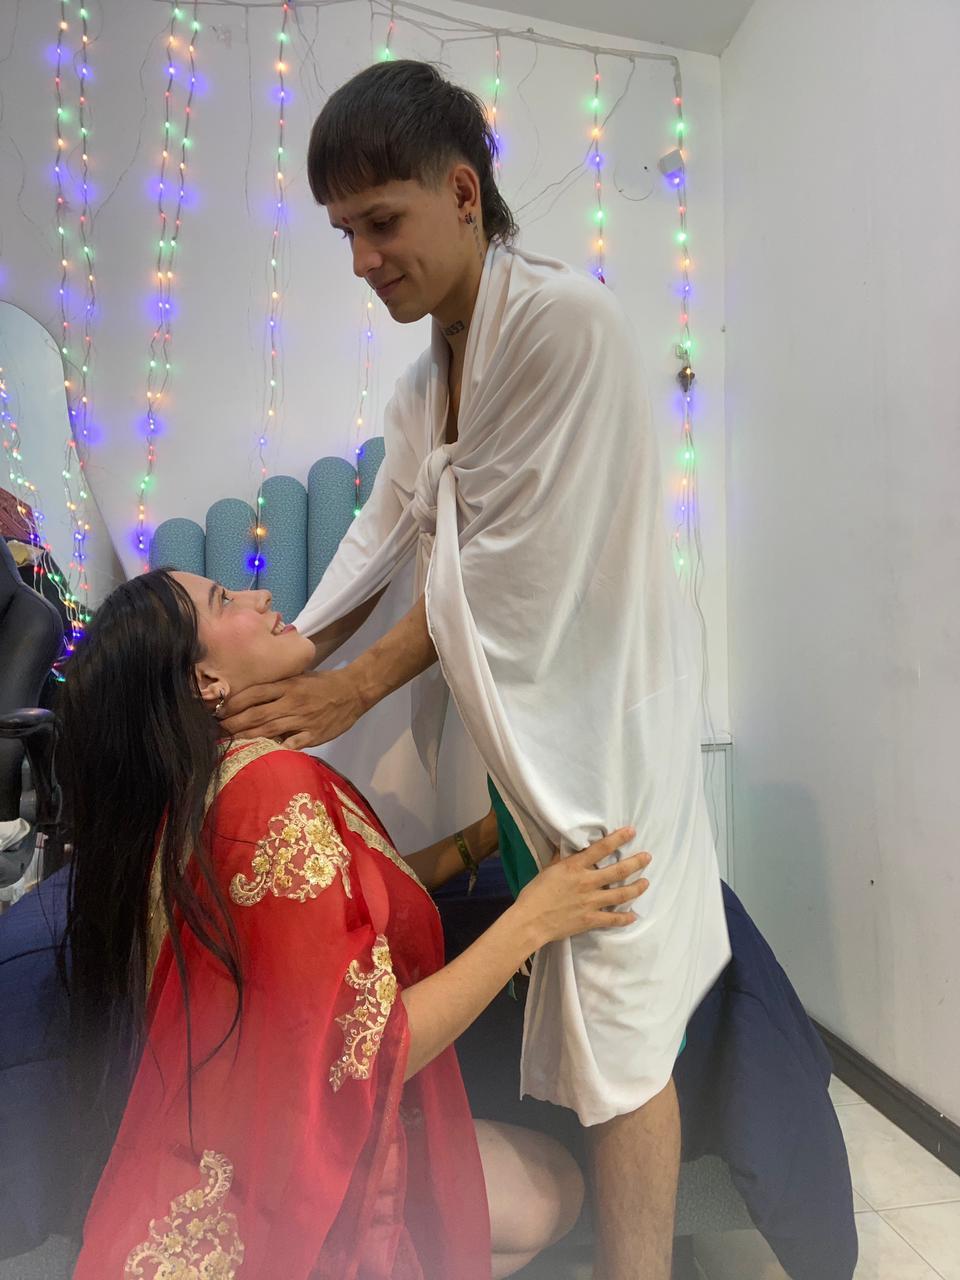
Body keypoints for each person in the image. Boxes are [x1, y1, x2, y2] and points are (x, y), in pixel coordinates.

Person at [221, 60, 732, 1280]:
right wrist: (285, 655)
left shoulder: (567, 328)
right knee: (591, 1020)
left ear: (463, 192)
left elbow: (494, 575)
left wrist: (345, 687)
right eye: (343, 233)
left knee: (623, 1033)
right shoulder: (421, 385)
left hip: (602, 735)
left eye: (379, 222)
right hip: (524, 746)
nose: (362, 260)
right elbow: (378, 539)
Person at [60, 571, 651, 1279]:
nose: (259, 596)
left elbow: (356, 893)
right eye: (224, 601)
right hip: (293, 1178)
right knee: (556, 1192)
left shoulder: (208, 787)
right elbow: (366, 1050)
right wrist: (534, 919)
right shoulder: (267, 791)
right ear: (206, 681)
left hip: (231, 1156)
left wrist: (484, 837)